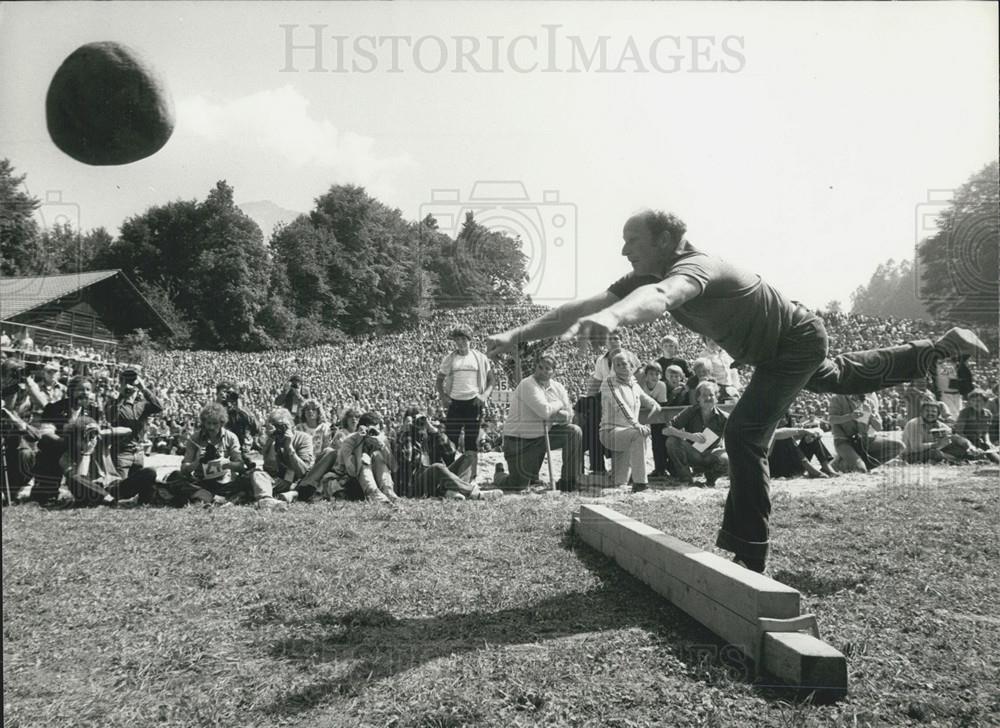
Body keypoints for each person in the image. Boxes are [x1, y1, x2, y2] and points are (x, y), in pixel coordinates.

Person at [485, 208, 989, 572]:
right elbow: (577, 307)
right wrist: (518, 335)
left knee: (746, 433)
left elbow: (662, 297)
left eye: (631, 239)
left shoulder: (697, 268)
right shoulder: (646, 272)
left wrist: (614, 317)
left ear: (664, 239)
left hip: (795, 338)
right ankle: (934, 349)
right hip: (774, 353)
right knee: (843, 377)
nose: (623, 249)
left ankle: (749, 550)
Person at [501, 355, 583, 492]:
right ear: (535, 367)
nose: (542, 371)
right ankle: (499, 474)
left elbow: (569, 415)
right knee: (518, 485)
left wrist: (561, 414)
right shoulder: (527, 384)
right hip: (519, 441)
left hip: (541, 438)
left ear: (553, 372)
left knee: (573, 431)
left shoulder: (558, 387)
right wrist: (559, 404)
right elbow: (544, 411)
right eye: (540, 367)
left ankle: (568, 481)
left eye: (547, 369)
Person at [436, 326, 495, 484]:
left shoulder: (480, 358)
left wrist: (484, 396)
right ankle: (450, 474)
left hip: (473, 401)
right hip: (455, 402)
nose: (460, 342)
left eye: (463, 339)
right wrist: (443, 396)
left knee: (471, 440)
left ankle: (471, 477)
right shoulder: (450, 358)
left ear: (469, 339)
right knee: (451, 439)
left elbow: (491, 380)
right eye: (457, 339)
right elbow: (439, 379)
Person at [394, 405, 486, 500]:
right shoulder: (403, 438)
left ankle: (453, 491)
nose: (420, 424)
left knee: (470, 455)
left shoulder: (432, 436)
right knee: (437, 467)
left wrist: (433, 430)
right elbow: (407, 459)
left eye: (423, 419)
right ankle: (471, 491)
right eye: (416, 420)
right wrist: (407, 433)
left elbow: (451, 451)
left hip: (439, 479)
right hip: (417, 485)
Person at [60, 417, 157, 506]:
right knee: (74, 479)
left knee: (149, 472)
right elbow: (80, 479)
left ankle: (144, 503)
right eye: (84, 438)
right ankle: (109, 500)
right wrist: (86, 453)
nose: (90, 440)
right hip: (91, 492)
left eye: (92, 436)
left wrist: (100, 432)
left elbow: (128, 431)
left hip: (113, 485)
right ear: (73, 439)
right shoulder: (66, 457)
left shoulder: (101, 442)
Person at [599, 351, 660, 491]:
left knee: (619, 482)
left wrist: (655, 405)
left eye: (624, 364)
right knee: (638, 434)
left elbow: (648, 401)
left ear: (631, 365)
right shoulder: (609, 383)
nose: (621, 367)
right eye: (617, 364)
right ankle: (640, 483)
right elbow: (621, 405)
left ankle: (619, 478)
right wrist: (636, 424)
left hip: (627, 433)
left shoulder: (634, 384)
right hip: (610, 432)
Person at [663, 381, 730, 487]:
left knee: (727, 459)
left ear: (716, 398)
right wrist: (689, 436)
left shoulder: (724, 417)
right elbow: (666, 430)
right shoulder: (690, 411)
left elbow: (737, 437)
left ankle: (710, 480)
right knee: (672, 441)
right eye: (704, 395)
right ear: (698, 398)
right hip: (692, 453)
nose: (708, 398)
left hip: (711, 454)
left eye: (711, 395)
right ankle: (686, 480)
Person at [104, 367, 162, 479]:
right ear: (121, 382)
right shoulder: (113, 402)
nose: (130, 384)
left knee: (137, 487)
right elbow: (111, 418)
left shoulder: (142, 404)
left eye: (133, 381)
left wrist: (144, 388)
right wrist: (121, 396)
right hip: (121, 453)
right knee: (120, 488)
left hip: (139, 452)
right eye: (127, 381)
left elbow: (159, 407)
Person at [828, 393, 902, 473]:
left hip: (864, 440)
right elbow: (832, 419)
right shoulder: (838, 398)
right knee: (861, 469)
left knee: (899, 446)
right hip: (844, 441)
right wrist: (850, 416)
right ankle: (840, 464)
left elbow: (879, 427)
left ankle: (858, 462)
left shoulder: (868, 402)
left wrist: (870, 415)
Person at [254, 407, 316, 503]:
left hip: (295, 483)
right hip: (276, 480)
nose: (280, 430)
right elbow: (269, 469)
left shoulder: (304, 438)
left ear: (293, 427)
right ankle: (267, 500)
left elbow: (304, 472)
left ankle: (265, 496)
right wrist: (271, 441)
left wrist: (289, 447)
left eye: (283, 426)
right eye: (276, 426)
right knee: (257, 473)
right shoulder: (272, 440)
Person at [901, 400, 978, 464]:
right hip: (911, 455)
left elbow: (956, 438)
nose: (930, 413)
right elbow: (916, 448)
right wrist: (936, 444)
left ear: (938, 414)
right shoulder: (914, 424)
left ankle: (967, 459)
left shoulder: (940, 425)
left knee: (960, 449)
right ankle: (959, 462)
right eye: (927, 411)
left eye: (933, 411)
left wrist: (970, 446)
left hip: (934, 451)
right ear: (921, 413)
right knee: (934, 453)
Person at [638, 361, 670, 477]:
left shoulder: (662, 385)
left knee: (658, 439)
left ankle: (660, 468)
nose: (654, 377)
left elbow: (661, 404)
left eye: (657, 374)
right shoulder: (640, 385)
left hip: (656, 413)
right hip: (640, 413)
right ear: (646, 376)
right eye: (651, 374)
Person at [954, 390, 999, 463]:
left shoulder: (987, 414)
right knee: (973, 454)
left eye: (979, 401)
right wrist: (969, 445)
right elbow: (959, 432)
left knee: (995, 456)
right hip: (964, 441)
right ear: (970, 402)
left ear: (985, 402)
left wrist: (988, 441)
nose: (976, 403)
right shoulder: (965, 412)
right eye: (973, 401)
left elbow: (985, 431)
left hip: (977, 441)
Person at [216, 381, 260, 455]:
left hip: (241, 447)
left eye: (229, 393)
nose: (227, 395)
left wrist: (239, 407)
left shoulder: (240, 411)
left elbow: (256, 427)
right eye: (224, 392)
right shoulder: (215, 409)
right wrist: (219, 403)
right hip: (222, 447)